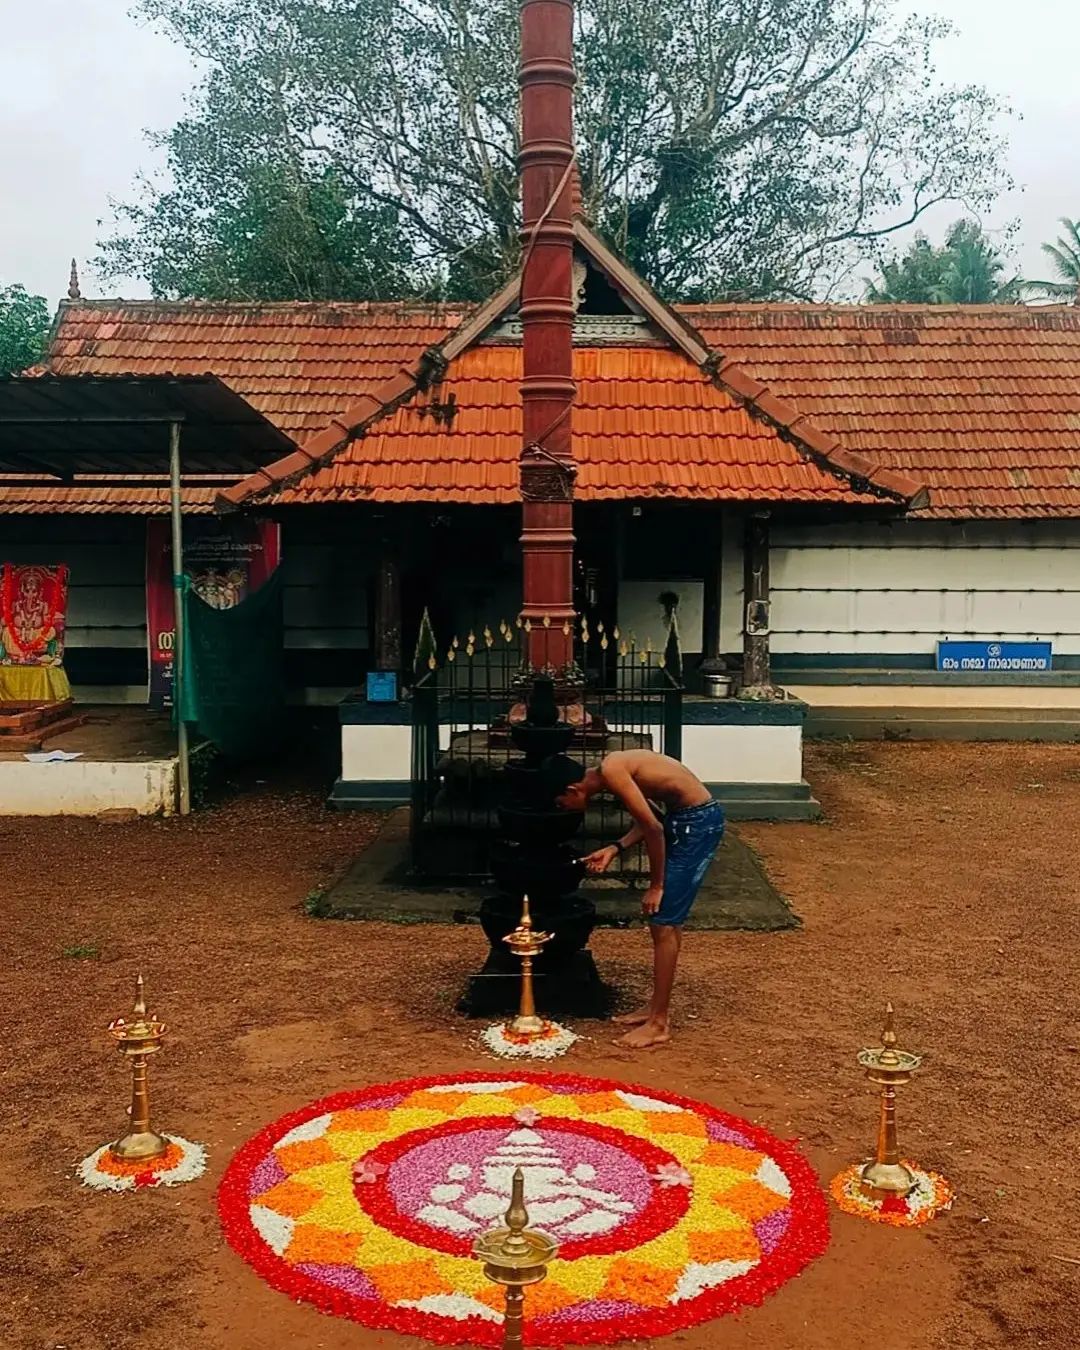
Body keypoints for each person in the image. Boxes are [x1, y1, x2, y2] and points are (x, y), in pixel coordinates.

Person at [543, 749, 724, 1049]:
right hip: (684, 819)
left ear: (572, 789)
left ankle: (659, 1023)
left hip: (698, 825)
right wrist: (615, 847)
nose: (564, 809)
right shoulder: (611, 770)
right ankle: (655, 1009)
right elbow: (652, 816)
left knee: (663, 921)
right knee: (664, 923)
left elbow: (654, 828)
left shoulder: (613, 771)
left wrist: (657, 885)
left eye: (561, 803)